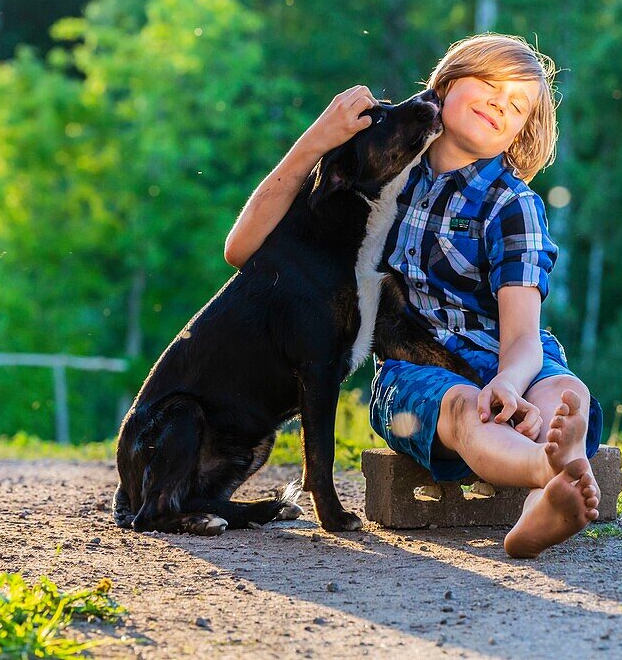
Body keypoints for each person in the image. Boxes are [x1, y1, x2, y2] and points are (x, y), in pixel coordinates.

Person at [225, 32, 602, 559]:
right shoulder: (375, 172)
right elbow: (243, 249)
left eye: (517, 105)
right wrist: (317, 139)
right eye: (490, 84)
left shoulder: (514, 204)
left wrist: (511, 384)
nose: (500, 102)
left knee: (562, 394)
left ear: (520, 135)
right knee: (465, 413)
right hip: (414, 375)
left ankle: (547, 495)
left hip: (509, 358)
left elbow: (521, 337)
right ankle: (548, 468)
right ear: (444, 85)